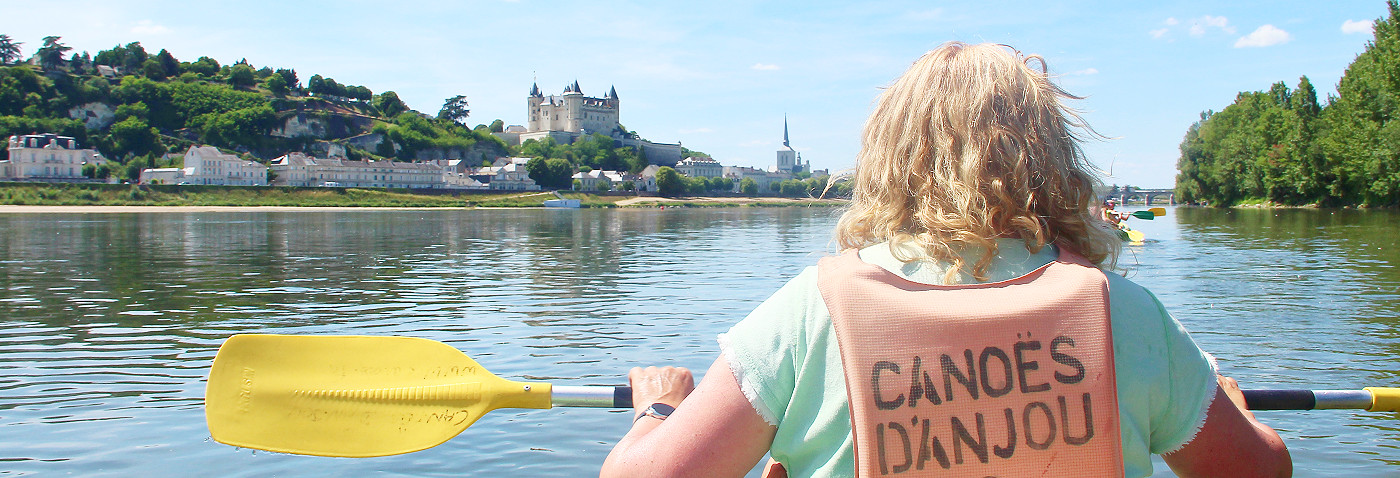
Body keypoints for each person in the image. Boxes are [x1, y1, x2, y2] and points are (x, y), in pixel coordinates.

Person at [601, 42, 1290, 478]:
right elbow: (1261, 473)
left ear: (889, 159)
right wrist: (1233, 411)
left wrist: (659, 411)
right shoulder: (1123, 312)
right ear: (1050, 158)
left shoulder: (811, 314)